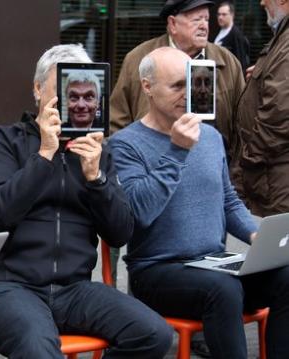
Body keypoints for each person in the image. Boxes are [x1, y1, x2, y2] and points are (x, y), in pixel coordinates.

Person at [0, 44, 173, 359]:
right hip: (11, 287)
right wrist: (44, 155)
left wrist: (97, 179)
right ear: (38, 90)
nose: (76, 104)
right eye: (66, 93)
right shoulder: (6, 140)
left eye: (84, 95)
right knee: (38, 348)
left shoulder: (97, 152)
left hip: (75, 290)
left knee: (154, 334)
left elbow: (121, 233)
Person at [109, 46, 289, 359]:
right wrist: (177, 151)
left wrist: (255, 236)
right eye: (177, 85)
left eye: (190, 84)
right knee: (223, 290)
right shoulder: (125, 144)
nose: (187, 93)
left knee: (285, 276)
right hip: (157, 271)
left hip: (215, 263)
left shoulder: (210, 137)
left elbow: (229, 202)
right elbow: (138, 213)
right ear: (147, 87)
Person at [110, 0, 244, 164]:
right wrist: (129, 167)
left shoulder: (227, 62)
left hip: (212, 171)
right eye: (197, 20)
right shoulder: (138, 59)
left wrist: (234, 177)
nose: (204, 26)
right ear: (173, 24)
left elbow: (243, 128)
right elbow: (117, 122)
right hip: (153, 170)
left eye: (207, 19)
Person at [234, 0, 289, 217]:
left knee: (279, 248)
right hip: (273, 174)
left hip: (276, 176)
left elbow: (279, 113)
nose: (262, 2)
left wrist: (249, 158)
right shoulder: (282, 37)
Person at [214, 1, 250, 73]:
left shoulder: (236, 35)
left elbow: (241, 61)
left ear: (232, 15)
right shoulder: (220, 31)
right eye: (219, 14)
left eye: (224, 14)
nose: (220, 17)